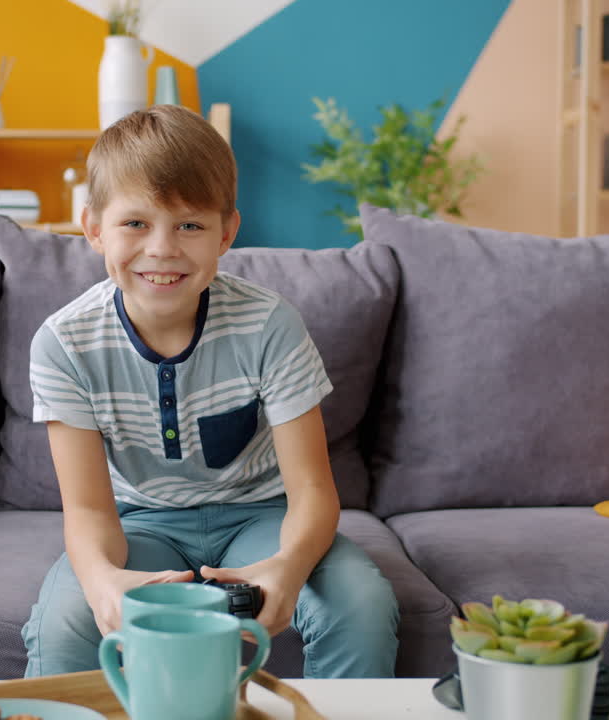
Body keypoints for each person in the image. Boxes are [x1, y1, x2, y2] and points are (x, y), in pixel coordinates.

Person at [20, 105, 398, 678]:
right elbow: (90, 509)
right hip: (138, 522)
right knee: (66, 618)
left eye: (189, 225)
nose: (163, 249)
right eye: (135, 224)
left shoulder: (271, 325)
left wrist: (289, 567)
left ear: (227, 233)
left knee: (363, 603)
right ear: (93, 227)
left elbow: (314, 490)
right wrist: (102, 584)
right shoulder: (63, 344)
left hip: (262, 515)